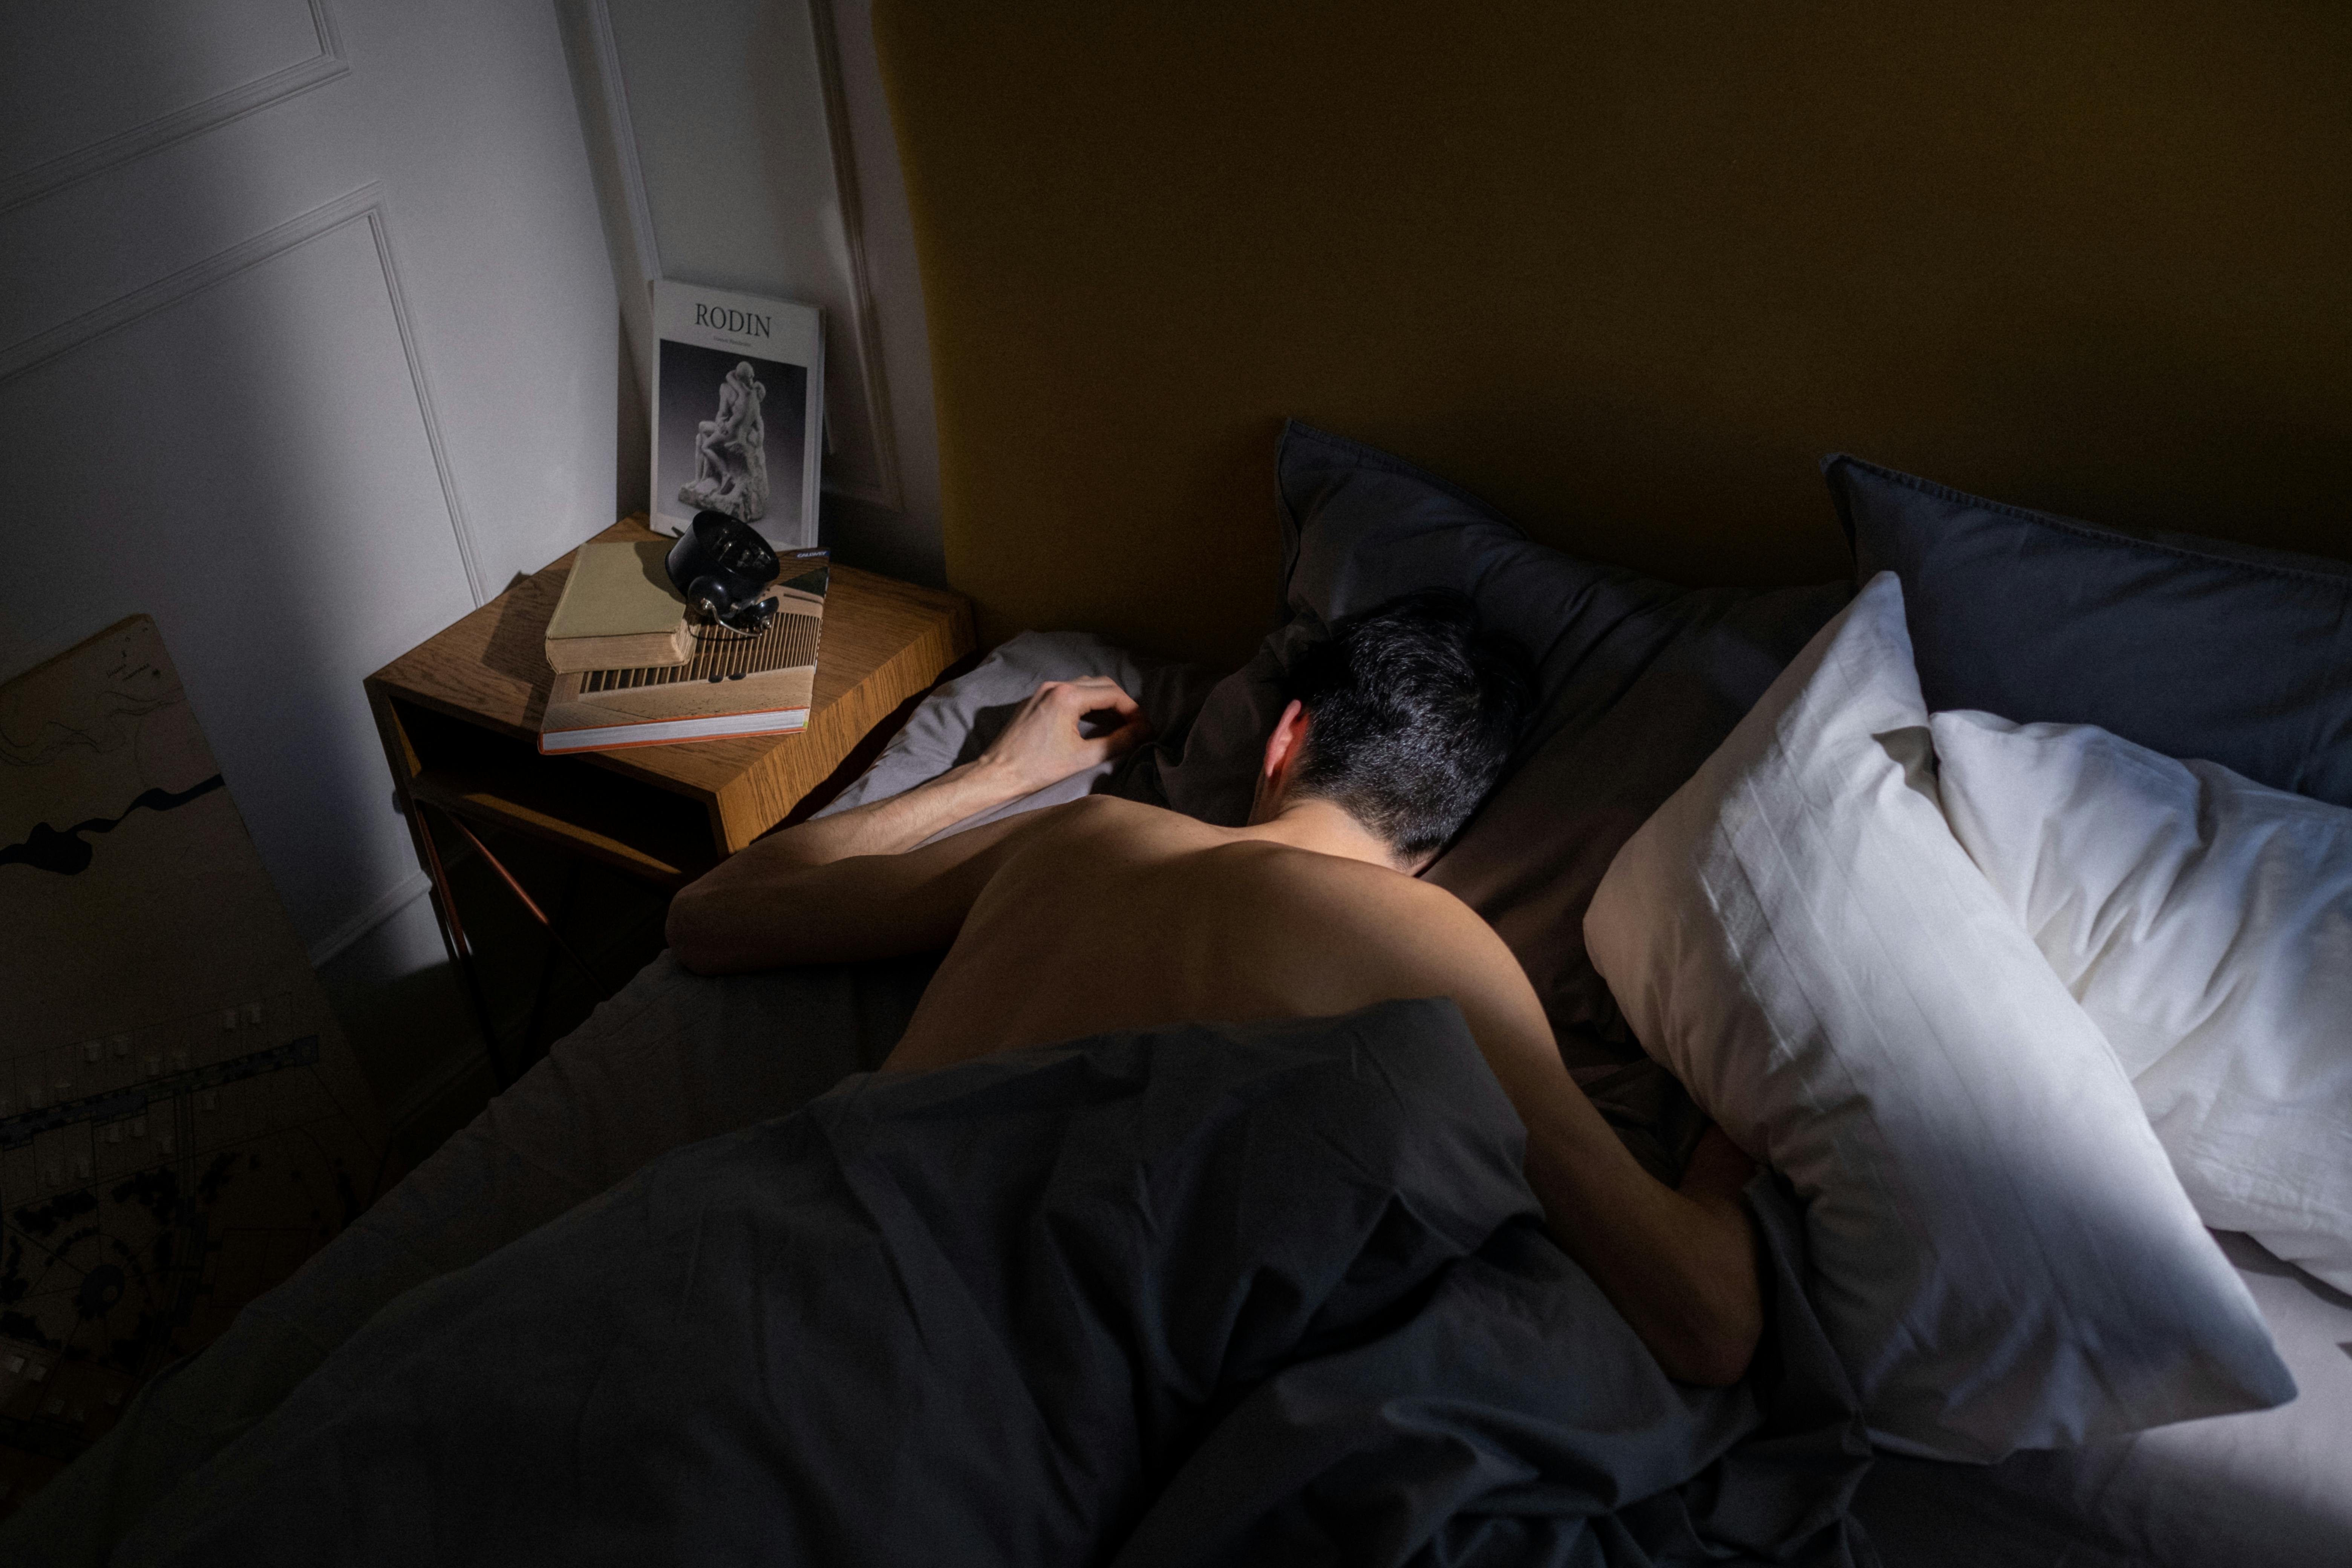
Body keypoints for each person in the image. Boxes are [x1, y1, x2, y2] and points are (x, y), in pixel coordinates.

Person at [668, 591, 1762, 1385]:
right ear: (1443, 836)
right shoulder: (1442, 949)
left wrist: (997, 775)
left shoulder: (1085, 835)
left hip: (730, 1257)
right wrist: (1742, 1109)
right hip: (949, 1385)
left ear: (1286, 736)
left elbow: (713, 914)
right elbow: (1706, 1323)